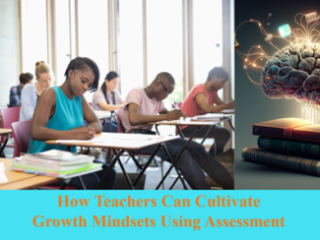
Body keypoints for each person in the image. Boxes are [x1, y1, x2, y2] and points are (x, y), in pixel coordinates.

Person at [120, 72, 233, 189]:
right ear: (158, 83)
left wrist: (176, 114)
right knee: (181, 153)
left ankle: (229, 183)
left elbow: (166, 113)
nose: (166, 96)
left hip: (150, 137)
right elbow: (133, 118)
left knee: (196, 148)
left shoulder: (157, 100)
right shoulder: (136, 92)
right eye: (166, 91)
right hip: (134, 139)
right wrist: (165, 117)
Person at [27, 57, 116, 190]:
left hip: (66, 160)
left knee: (109, 173)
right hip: (41, 162)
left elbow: (97, 124)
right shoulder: (51, 94)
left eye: (89, 85)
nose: (86, 87)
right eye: (83, 81)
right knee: (91, 181)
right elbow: (36, 131)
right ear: (71, 74)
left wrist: (83, 131)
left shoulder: (79, 98)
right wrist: (74, 134)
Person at [181, 67, 234, 157]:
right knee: (222, 134)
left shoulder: (212, 92)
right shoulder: (199, 89)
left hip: (198, 125)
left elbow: (223, 107)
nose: (222, 86)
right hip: (187, 127)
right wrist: (228, 105)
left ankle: (213, 160)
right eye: (222, 82)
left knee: (226, 133)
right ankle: (212, 160)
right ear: (214, 78)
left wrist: (234, 108)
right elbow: (206, 108)